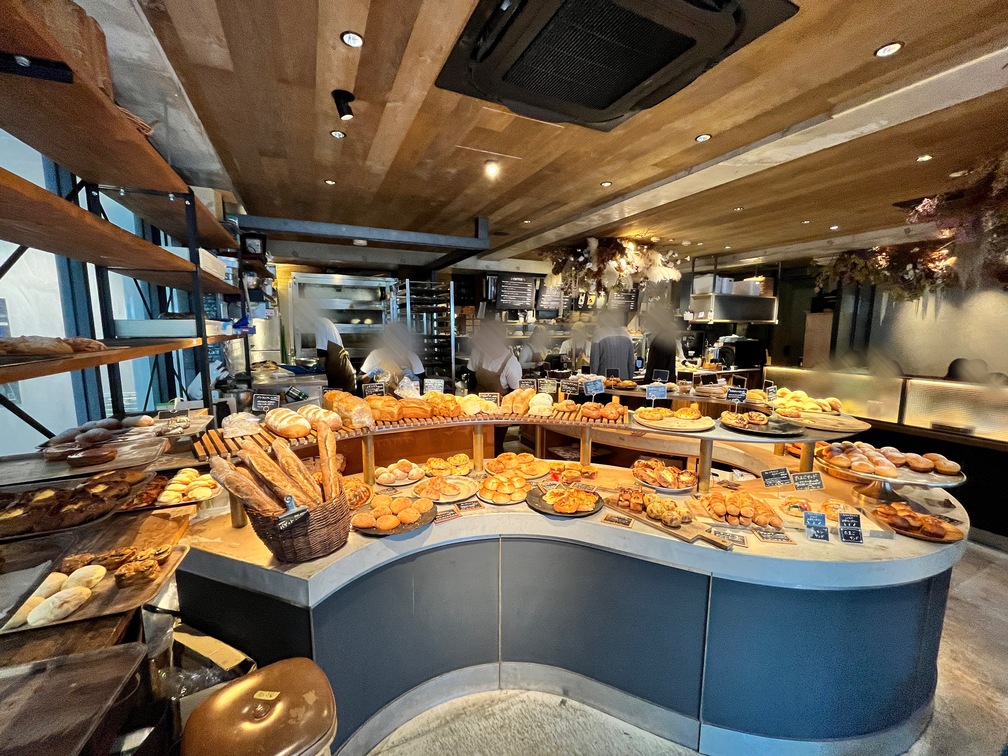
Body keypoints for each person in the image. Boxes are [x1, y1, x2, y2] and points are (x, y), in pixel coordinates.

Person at [467, 319, 522, 454]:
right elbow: (471, 379)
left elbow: (516, 393)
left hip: (499, 414)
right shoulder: (477, 353)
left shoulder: (511, 362)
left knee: (494, 448)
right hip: (477, 410)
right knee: (475, 446)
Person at [360, 322, 425, 386]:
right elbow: (359, 382)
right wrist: (369, 375)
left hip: (406, 393)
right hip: (380, 393)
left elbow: (424, 384)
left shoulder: (413, 357)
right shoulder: (375, 355)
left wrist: (414, 378)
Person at [642, 308, 685, 383]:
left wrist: (653, 383)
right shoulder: (667, 337)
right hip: (665, 382)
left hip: (659, 384)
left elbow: (659, 366)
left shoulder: (662, 340)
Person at [590, 309, 636, 380]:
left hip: (604, 380)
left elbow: (594, 362)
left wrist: (592, 379)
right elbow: (631, 362)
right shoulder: (626, 335)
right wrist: (630, 379)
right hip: (623, 380)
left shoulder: (598, 334)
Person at [315, 316, 355, 392]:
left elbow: (322, 352)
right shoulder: (325, 322)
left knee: (341, 398)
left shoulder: (320, 323)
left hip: (341, 376)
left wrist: (321, 369)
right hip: (343, 374)